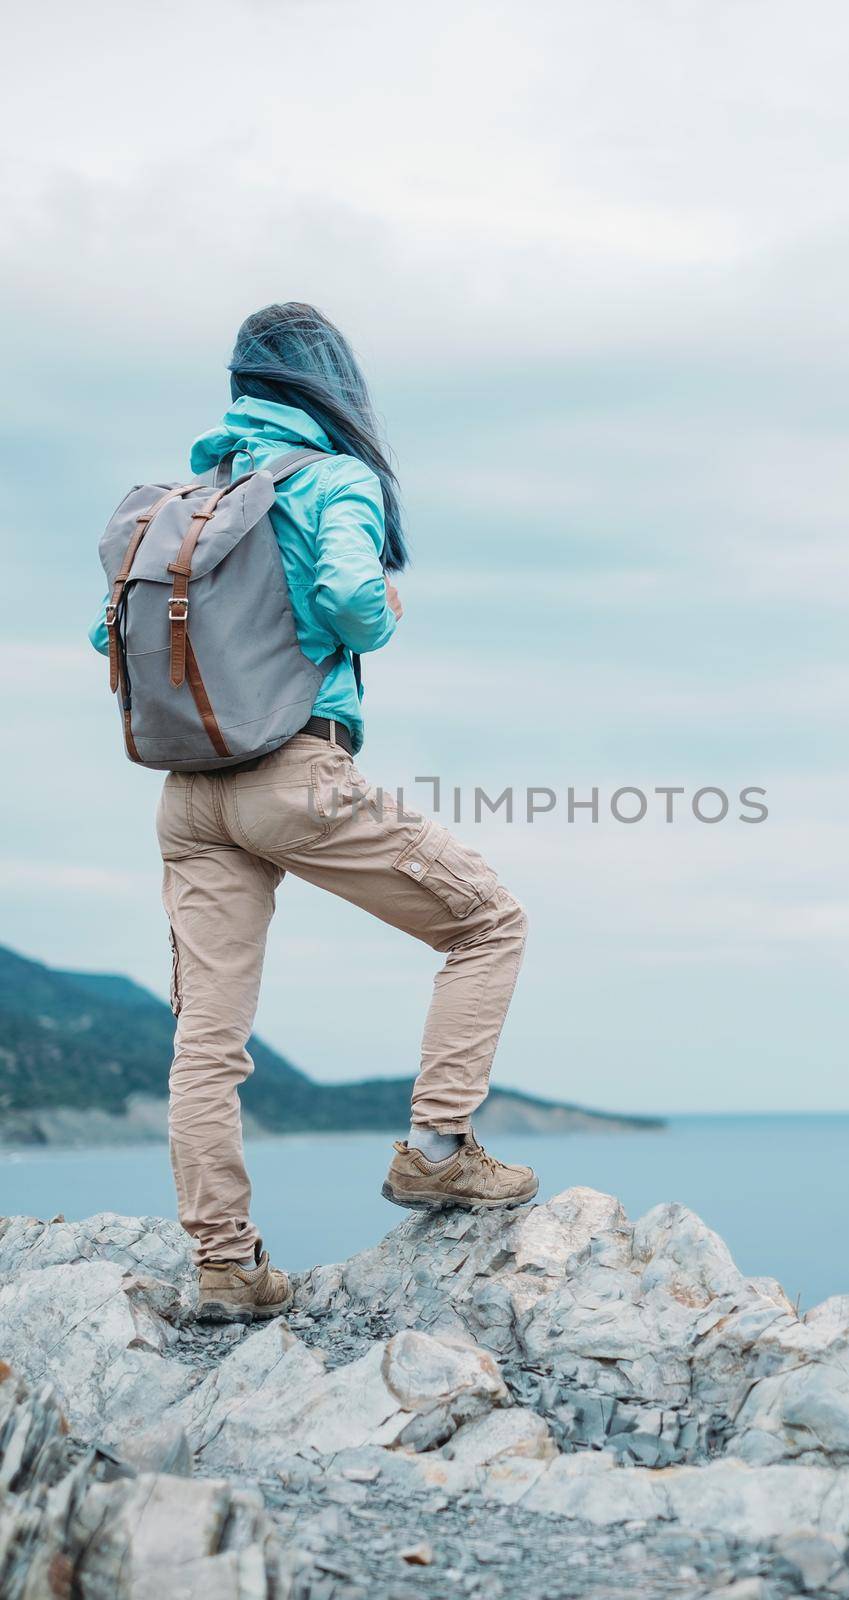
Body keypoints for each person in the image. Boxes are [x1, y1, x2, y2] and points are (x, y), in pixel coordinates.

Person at [89, 302, 536, 1323]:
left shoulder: (177, 504)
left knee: (206, 1038)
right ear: (331, 385)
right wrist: (385, 606)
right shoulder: (333, 478)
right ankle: (435, 1150)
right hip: (295, 772)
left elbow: (104, 635)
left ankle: (224, 1266)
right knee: (487, 921)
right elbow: (346, 599)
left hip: (186, 796)